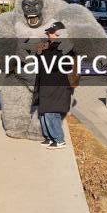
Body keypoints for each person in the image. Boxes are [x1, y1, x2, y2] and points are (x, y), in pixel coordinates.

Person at [33, 21, 73, 149]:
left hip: (56, 86)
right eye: (48, 32)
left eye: (51, 32)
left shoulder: (64, 47)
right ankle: (49, 137)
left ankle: (59, 139)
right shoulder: (48, 46)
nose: (49, 34)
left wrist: (43, 54)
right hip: (45, 84)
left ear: (59, 34)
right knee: (43, 112)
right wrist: (39, 53)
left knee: (51, 112)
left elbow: (62, 64)